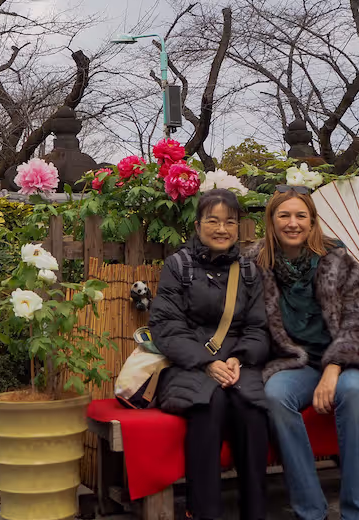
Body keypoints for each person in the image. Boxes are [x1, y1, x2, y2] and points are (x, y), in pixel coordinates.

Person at [258, 185, 359, 520]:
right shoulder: (257, 265)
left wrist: (334, 368)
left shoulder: (339, 262)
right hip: (299, 362)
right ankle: (309, 508)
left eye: (300, 215)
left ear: (312, 221)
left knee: (350, 392)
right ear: (272, 220)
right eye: (284, 215)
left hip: (350, 362)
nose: (292, 223)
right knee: (275, 394)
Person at [149, 188, 270, 520]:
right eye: (213, 221)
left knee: (251, 408)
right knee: (208, 403)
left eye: (229, 222)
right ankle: (203, 510)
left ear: (239, 227)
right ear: (198, 223)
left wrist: (240, 358)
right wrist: (205, 362)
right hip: (188, 365)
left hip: (236, 365)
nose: (221, 229)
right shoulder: (178, 266)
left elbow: (259, 327)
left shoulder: (248, 272)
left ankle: (256, 510)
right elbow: (166, 324)